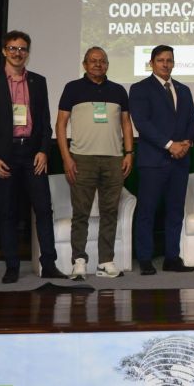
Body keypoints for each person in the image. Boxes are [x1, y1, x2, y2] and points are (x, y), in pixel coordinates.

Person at [0, 30, 67, 283]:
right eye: (13, 48)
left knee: (43, 210)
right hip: (4, 155)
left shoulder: (38, 81)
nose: (18, 53)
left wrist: (42, 150)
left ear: (28, 53)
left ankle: (48, 264)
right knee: (7, 212)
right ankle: (12, 266)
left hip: (32, 153)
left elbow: (45, 123)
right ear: (4, 51)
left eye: (23, 49)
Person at [55, 47, 134, 280]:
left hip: (113, 159)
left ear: (107, 65)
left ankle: (106, 261)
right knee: (81, 213)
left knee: (110, 212)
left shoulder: (118, 90)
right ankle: (79, 261)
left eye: (102, 61)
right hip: (81, 159)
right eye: (93, 61)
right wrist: (66, 157)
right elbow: (60, 125)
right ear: (85, 64)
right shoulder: (72, 88)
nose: (98, 64)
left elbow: (126, 124)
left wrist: (129, 153)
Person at [129, 45, 194, 275]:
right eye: (161, 60)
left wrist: (186, 142)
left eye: (169, 60)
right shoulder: (139, 89)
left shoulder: (184, 90)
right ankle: (145, 259)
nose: (165, 64)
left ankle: (172, 257)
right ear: (151, 63)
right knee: (147, 211)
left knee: (175, 211)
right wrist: (170, 145)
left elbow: (192, 120)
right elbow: (142, 123)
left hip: (180, 161)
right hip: (153, 160)